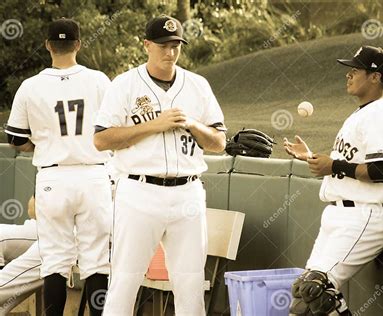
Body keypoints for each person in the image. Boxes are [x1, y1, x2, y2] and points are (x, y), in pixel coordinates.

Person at [93, 15, 226, 315]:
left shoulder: (197, 85)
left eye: (176, 45)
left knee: (191, 284)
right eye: (164, 45)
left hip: (188, 193)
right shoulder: (124, 84)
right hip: (139, 192)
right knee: (125, 282)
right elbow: (101, 140)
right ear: (147, 45)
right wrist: (154, 125)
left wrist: (192, 123)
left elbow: (219, 142)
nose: (170, 52)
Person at [284, 46, 383, 315]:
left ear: (375, 77)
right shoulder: (362, 114)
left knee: (315, 289)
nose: (348, 75)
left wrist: (334, 165)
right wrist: (310, 157)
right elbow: (348, 164)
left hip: (362, 217)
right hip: (338, 215)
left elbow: (381, 170)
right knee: (304, 296)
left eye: (355, 70)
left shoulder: (380, 117)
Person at [4, 18, 112, 315]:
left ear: (48, 45)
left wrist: (42, 143)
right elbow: (113, 131)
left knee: (54, 261)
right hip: (94, 175)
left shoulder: (30, 86)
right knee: (96, 260)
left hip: (54, 177)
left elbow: (15, 139)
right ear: (78, 44)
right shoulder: (100, 80)